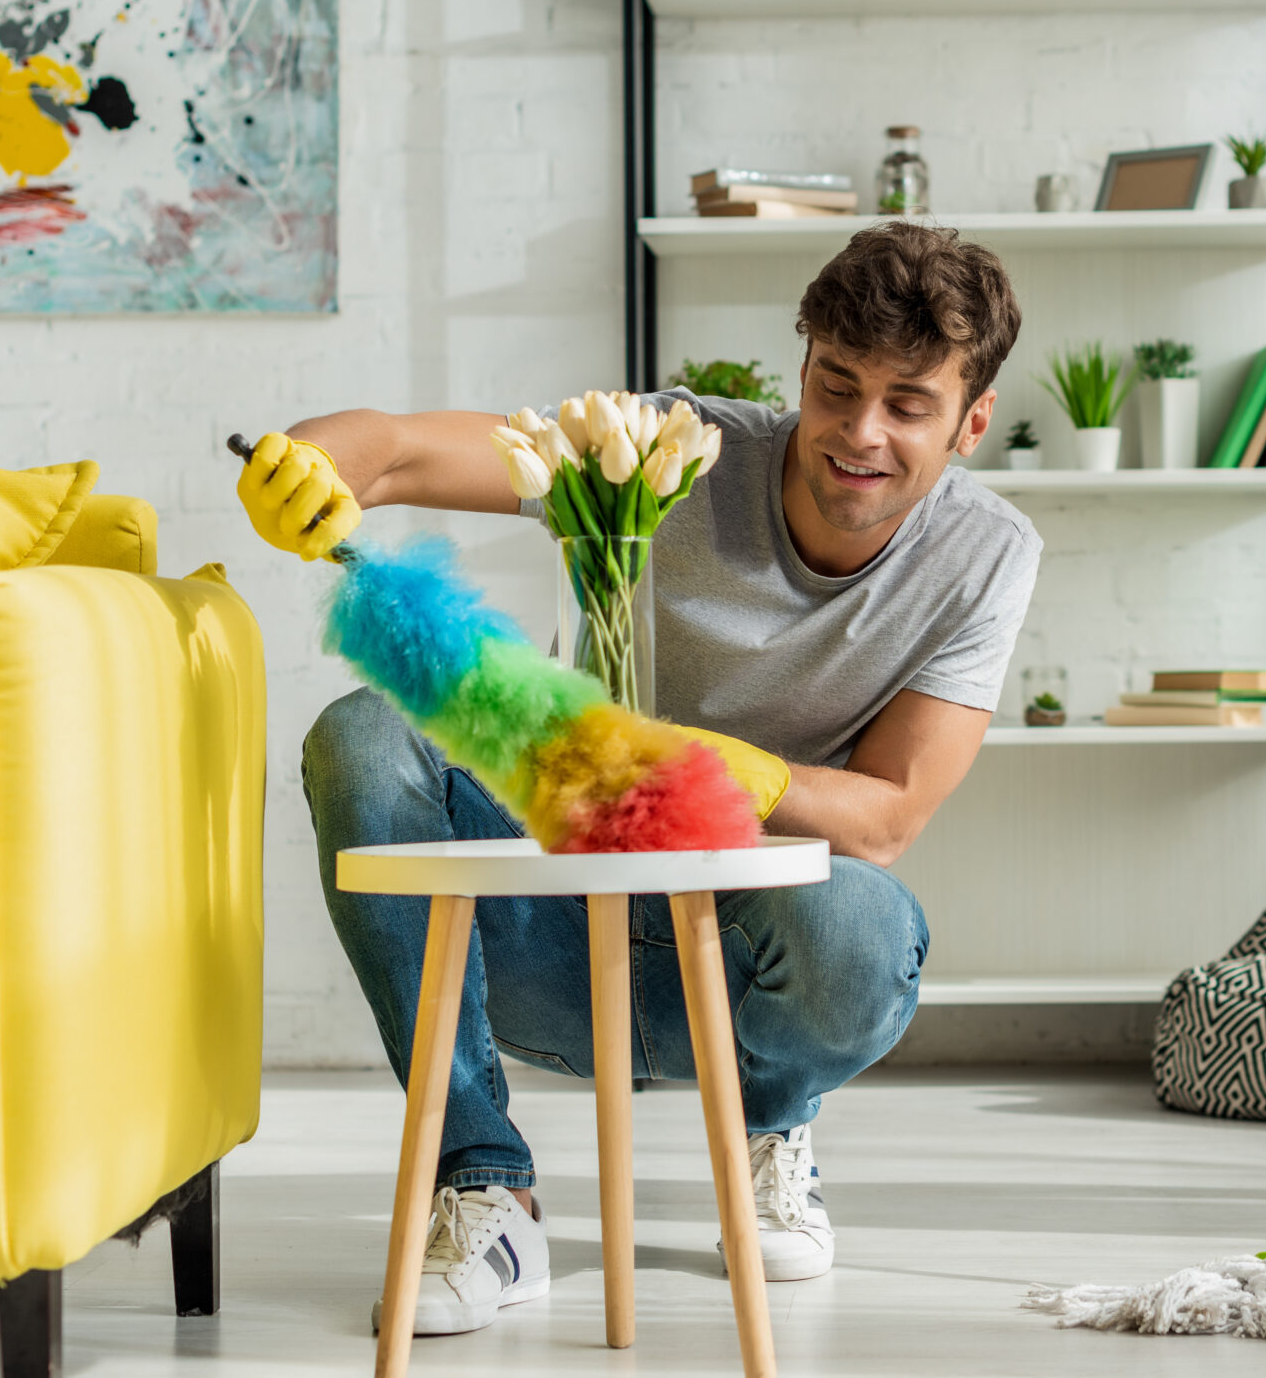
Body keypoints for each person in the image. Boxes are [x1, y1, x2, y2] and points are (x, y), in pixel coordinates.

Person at [239, 220, 1040, 1336]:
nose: (860, 431)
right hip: (553, 923)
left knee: (865, 929)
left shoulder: (986, 554)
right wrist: (314, 462)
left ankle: (773, 1122)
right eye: (836, 384)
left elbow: (890, 812)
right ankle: (482, 1184)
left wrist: (727, 770)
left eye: (908, 403)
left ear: (971, 421)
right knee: (364, 732)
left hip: (751, 960)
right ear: (799, 366)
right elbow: (403, 446)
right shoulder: (670, 452)